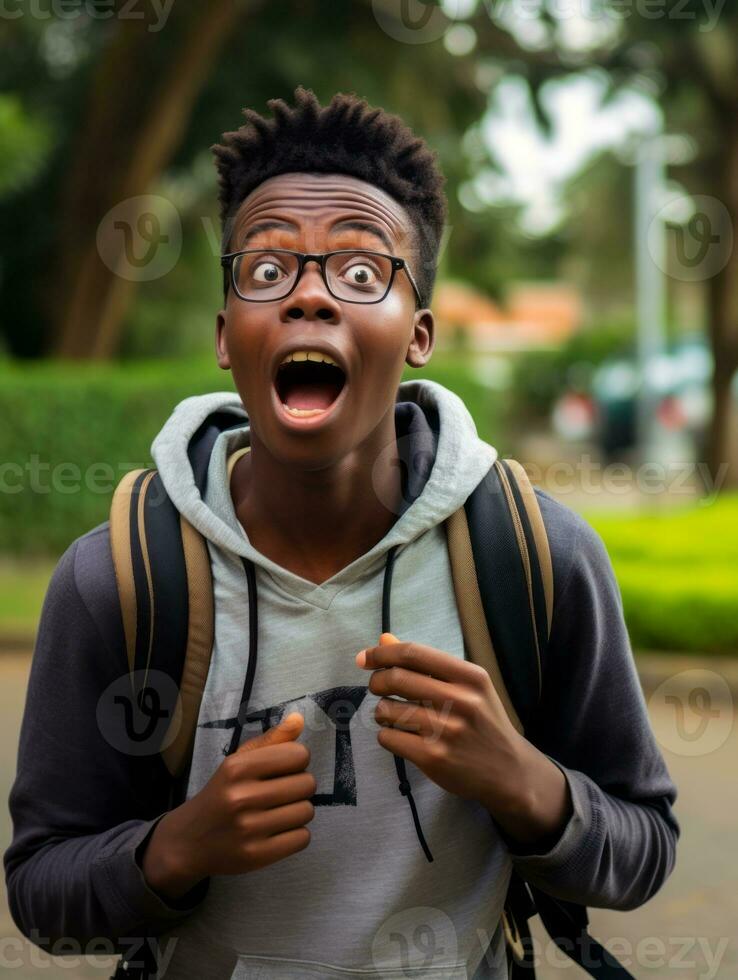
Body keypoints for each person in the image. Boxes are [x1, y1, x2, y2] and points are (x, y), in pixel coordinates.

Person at [4, 86, 679, 979]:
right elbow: (44, 892)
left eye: (361, 273)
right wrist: (175, 849)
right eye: (269, 269)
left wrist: (524, 781)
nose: (311, 298)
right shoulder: (117, 581)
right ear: (224, 332)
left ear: (420, 335)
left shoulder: (536, 557)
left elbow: (646, 847)